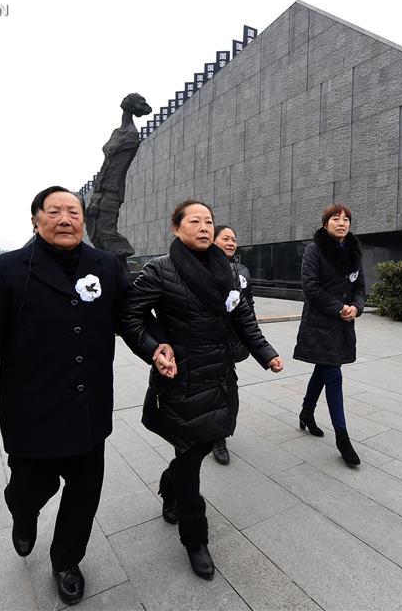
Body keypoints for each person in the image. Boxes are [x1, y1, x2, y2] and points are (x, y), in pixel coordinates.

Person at [0, 186, 128, 606]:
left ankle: (66, 561)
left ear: (83, 220)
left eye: (73, 211)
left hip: (90, 408)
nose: (65, 218)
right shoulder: (6, 270)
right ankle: (22, 510)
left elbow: (131, 319)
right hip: (32, 411)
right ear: (35, 220)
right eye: (53, 211)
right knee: (30, 487)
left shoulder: (106, 266)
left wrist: (158, 347)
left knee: (84, 491)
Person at [120, 200, 283, 580]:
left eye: (208, 221)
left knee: (206, 442)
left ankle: (168, 482)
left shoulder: (226, 269)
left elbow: (243, 317)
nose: (204, 227)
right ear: (176, 228)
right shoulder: (160, 270)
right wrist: (156, 348)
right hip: (181, 377)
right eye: (195, 221)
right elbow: (131, 315)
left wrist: (266, 353)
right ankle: (196, 540)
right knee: (191, 456)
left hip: (221, 375)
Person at [293, 203, 366, 467]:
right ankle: (342, 438)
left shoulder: (354, 251)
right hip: (320, 324)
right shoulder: (314, 250)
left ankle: (306, 412)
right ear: (326, 224)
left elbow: (360, 287)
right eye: (336, 218)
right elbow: (310, 287)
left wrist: (356, 307)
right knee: (333, 374)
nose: (342, 222)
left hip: (344, 324)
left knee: (322, 371)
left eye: (346, 218)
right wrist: (338, 308)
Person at [208, 225, 255, 465]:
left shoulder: (243, 270)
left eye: (234, 239)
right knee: (212, 391)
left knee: (228, 390)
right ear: (213, 240)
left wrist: (252, 340)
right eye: (225, 238)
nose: (231, 242)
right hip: (206, 342)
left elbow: (249, 305)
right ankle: (213, 435)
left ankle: (219, 435)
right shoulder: (202, 267)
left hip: (231, 342)